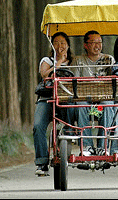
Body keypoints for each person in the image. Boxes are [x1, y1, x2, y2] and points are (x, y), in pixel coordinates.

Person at [34, 32, 74, 176]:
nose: (60, 46)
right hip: (47, 98)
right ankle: (42, 162)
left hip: (67, 98)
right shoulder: (47, 60)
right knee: (38, 126)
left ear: (68, 45)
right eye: (56, 42)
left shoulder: (74, 62)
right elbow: (45, 75)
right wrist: (58, 62)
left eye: (63, 43)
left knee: (74, 110)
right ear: (51, 45)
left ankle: (71, 134)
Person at [73, 30, 115, 156]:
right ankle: (87, 146)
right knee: (80, 104)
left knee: (107, 104)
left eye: (99, 42)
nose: (97, 45)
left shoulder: (108, 60)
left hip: (100, 108)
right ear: (85, 45)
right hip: (88, 107)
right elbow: (73, 83)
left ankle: (103, 146)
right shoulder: (78, 61)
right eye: (93, 42)